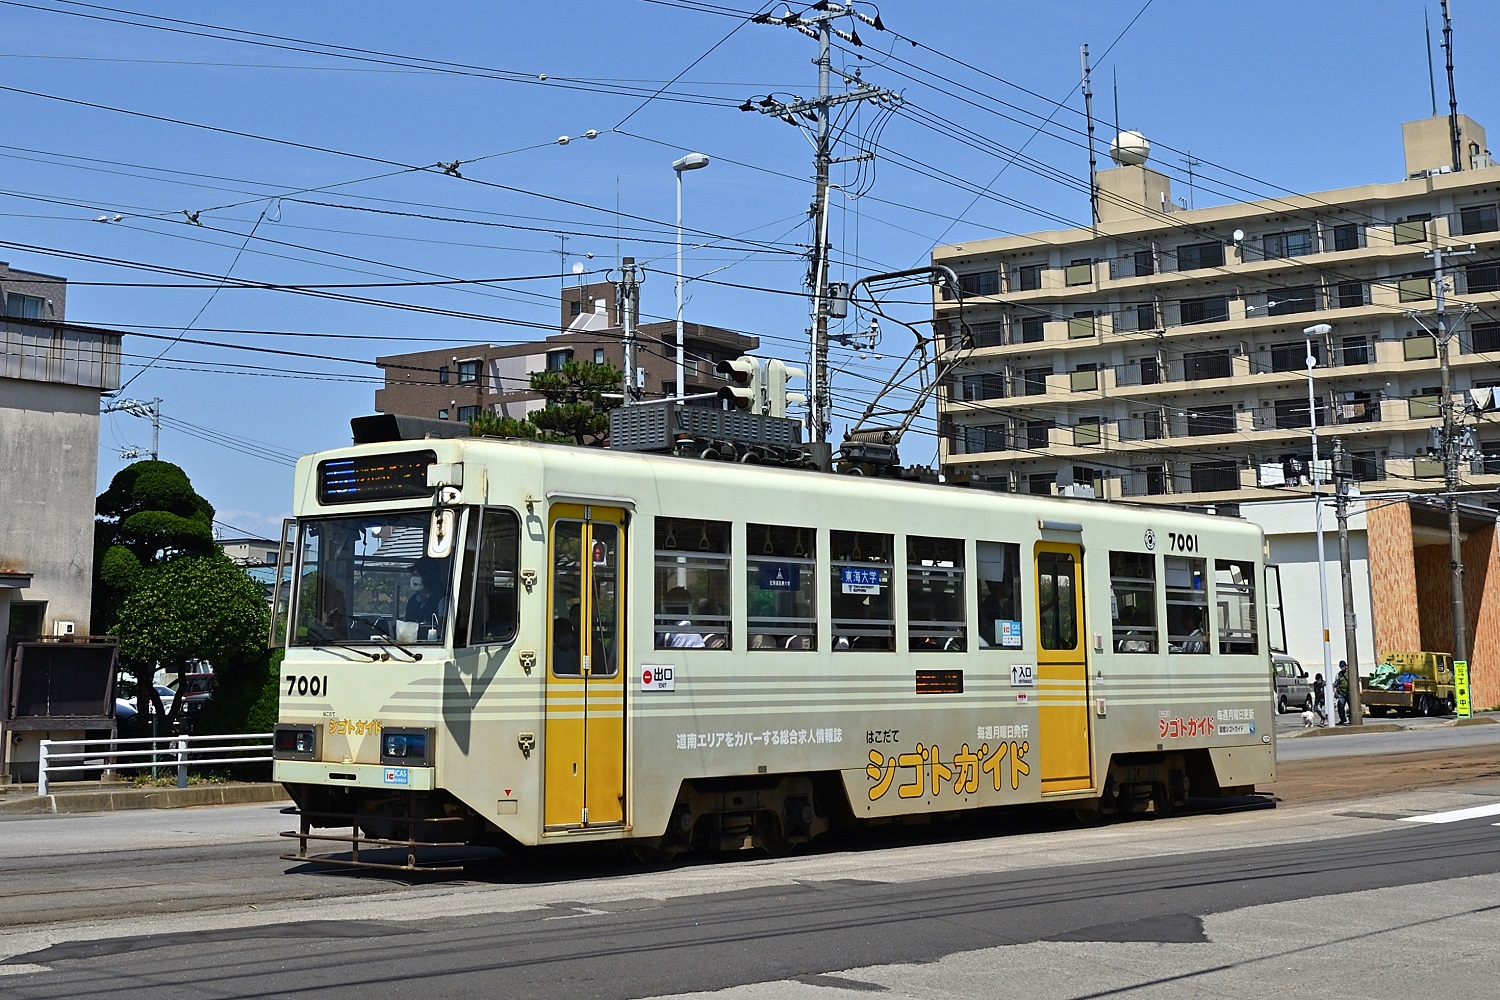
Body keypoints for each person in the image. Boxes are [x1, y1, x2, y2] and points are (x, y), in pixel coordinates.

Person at [405, 557, 450, 639]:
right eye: (413, 575)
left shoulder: (442, 600)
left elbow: (442, 631)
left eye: (417, 575)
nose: (413, 579)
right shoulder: (413, 600)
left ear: (428, 577)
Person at [1334, 660, 1350, 725]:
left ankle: (1351, 719)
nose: (1342, 668)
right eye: (1341, 667)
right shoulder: (1339, 674)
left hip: (1349, 692)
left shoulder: (1350, 673)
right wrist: (1335, 692)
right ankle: (1343, 719)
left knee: (1351, 706)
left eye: (1343, 667)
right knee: (1340, 706)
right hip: (1341, 693)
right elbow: (1336, 684)